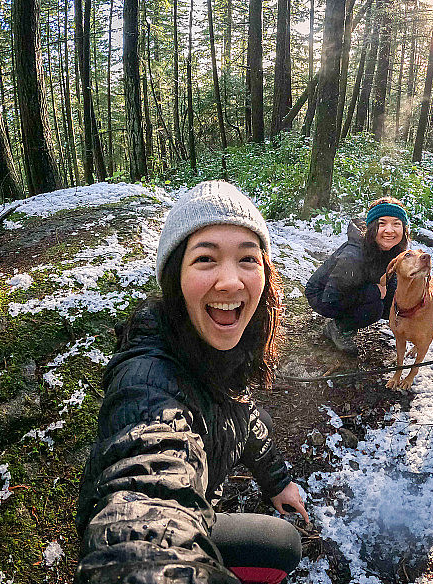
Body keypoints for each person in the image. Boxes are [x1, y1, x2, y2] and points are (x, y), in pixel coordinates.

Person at [75, 180, 308, 584]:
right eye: (205, 259)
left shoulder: (219, 350)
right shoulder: (148, 381)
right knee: (279, 545)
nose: (231, 282)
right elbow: (146, 492)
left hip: (204, 510)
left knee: (284, 543)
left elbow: (244, 416)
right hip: (175, 526)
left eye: (248, 259)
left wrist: (278, 482)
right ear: (175, 279)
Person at [305, 197, 410, 354]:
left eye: (396, 224)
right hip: (323, 296)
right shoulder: (353, 256)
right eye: (382, 223)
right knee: (375, 308)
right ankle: (338, 329)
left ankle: (355, 315)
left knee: (391, 302)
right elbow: (331, 298)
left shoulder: (393, 250)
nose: (390, 230)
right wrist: (374, 292)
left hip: (353, 288)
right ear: (372, 227)